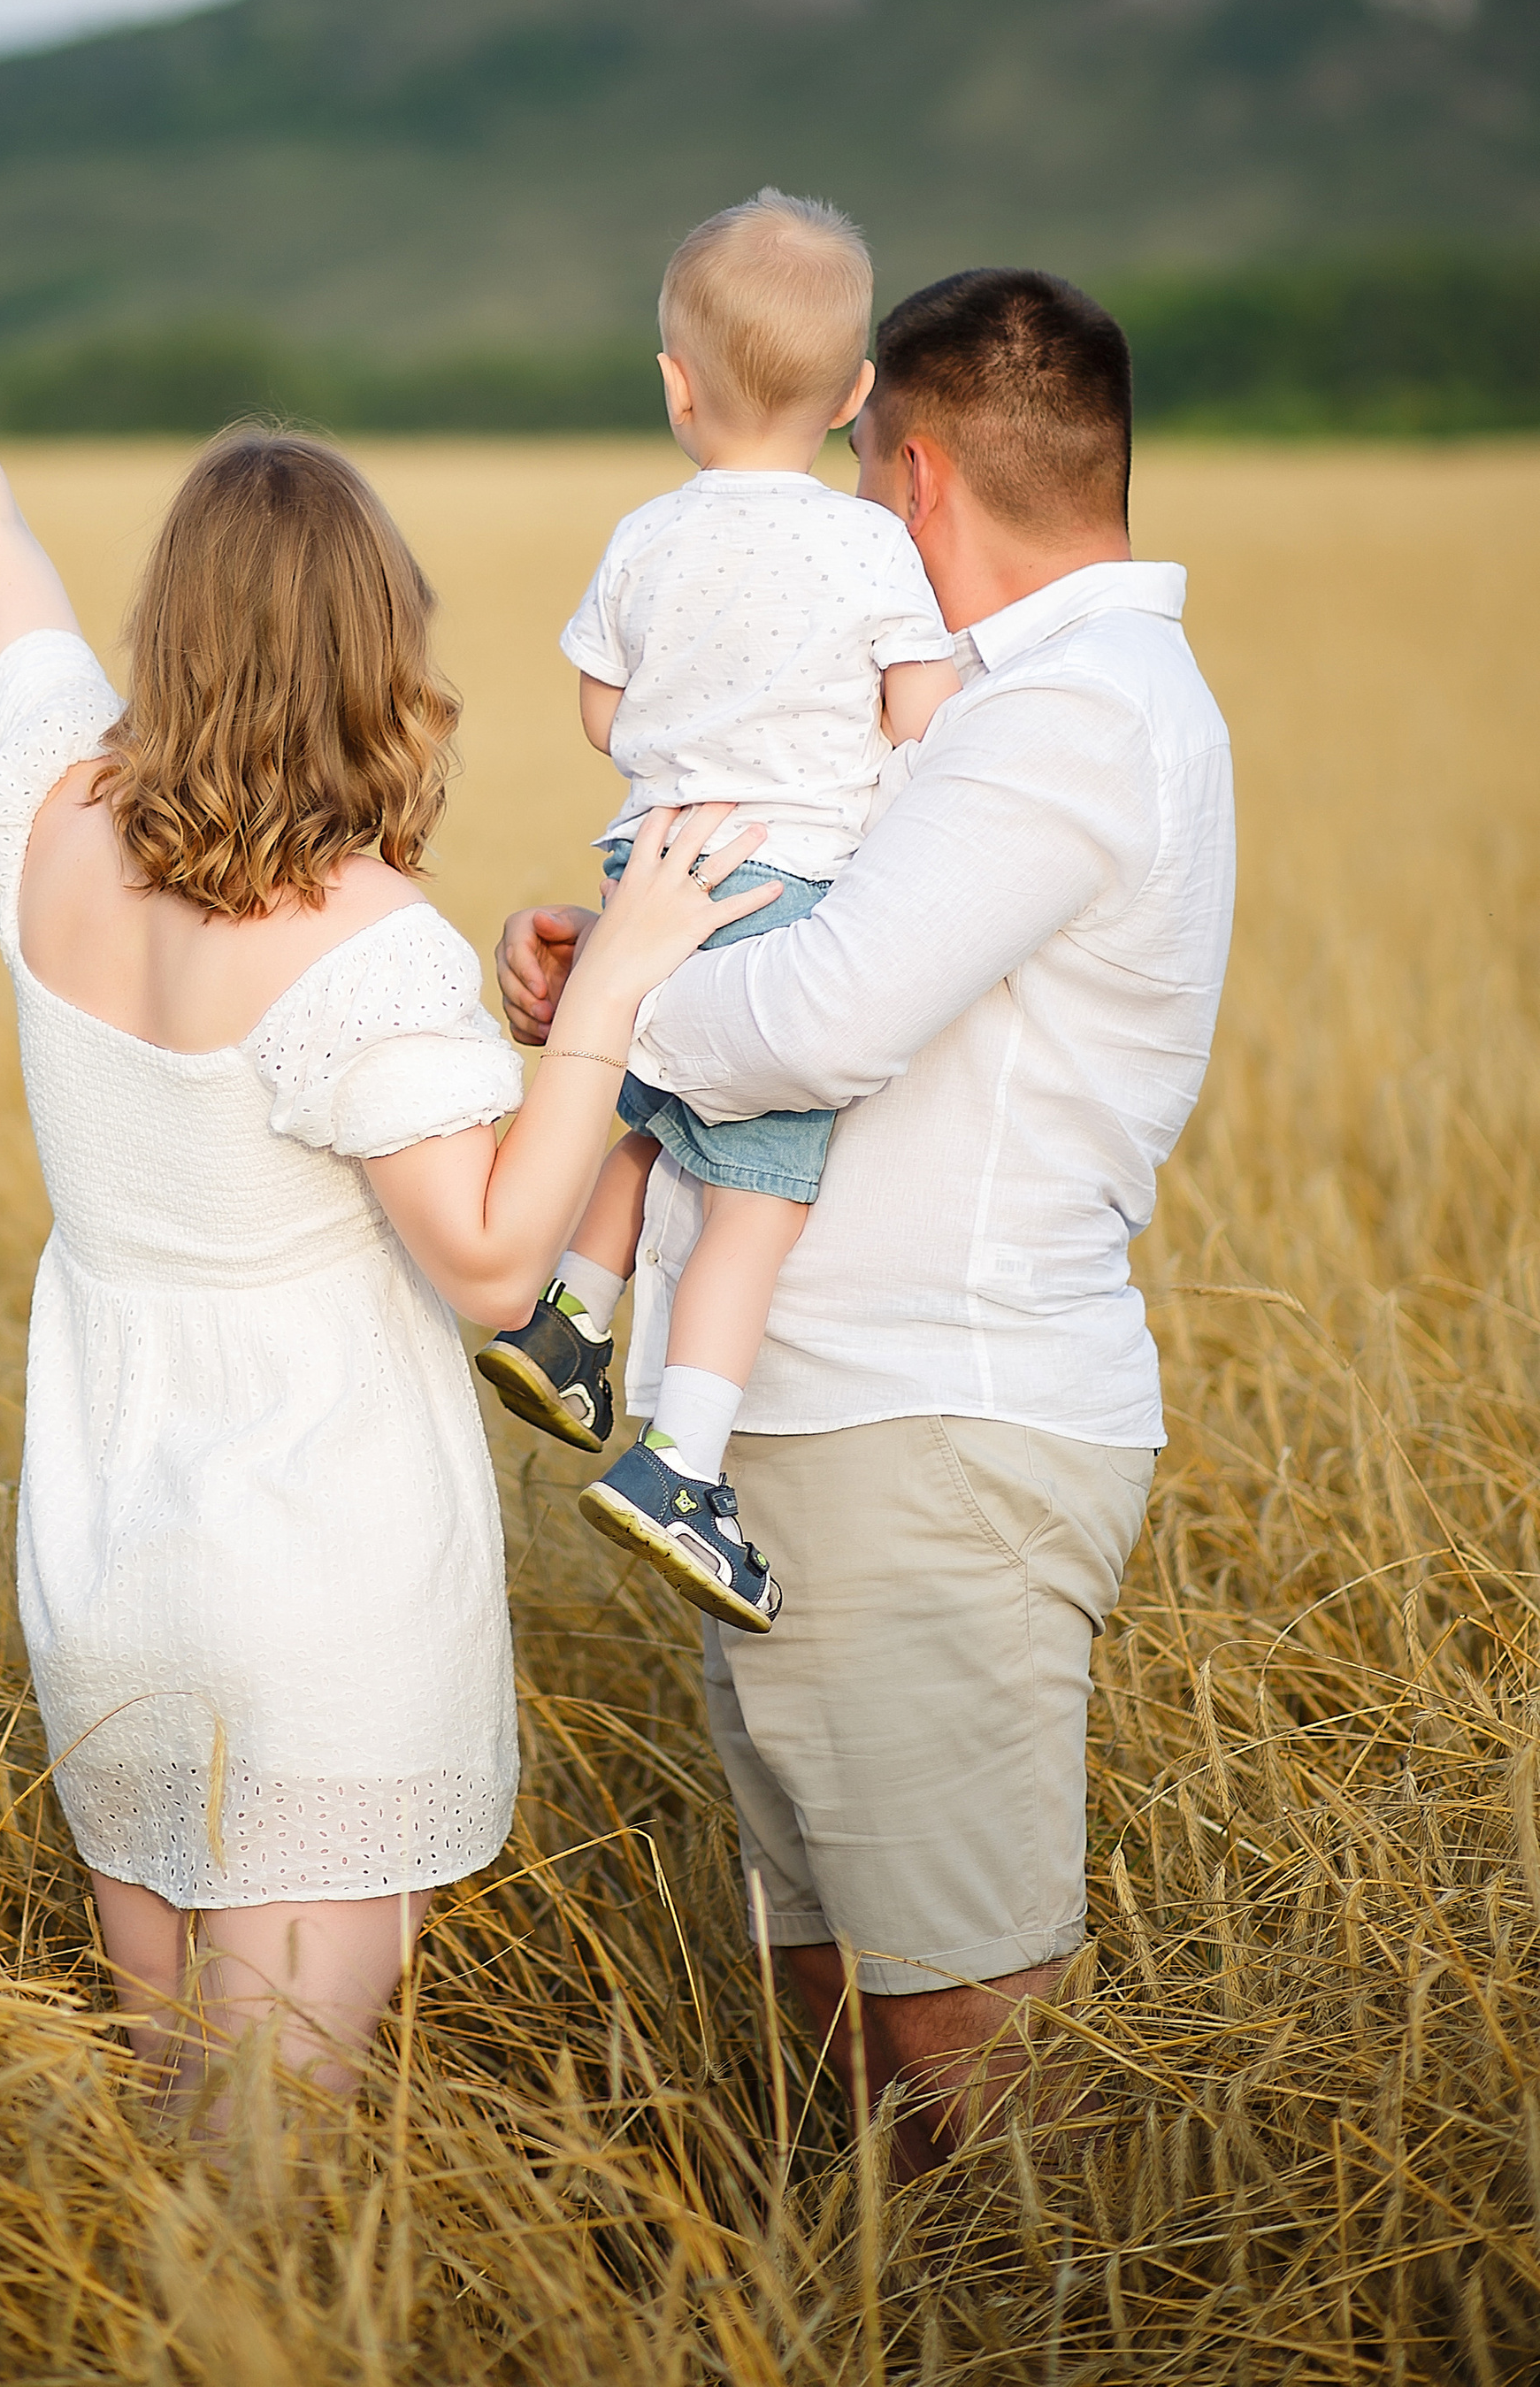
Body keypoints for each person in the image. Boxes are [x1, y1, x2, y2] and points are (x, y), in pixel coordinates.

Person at [0, 104, 767, 2110]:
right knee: (270, 2185)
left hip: (106, 1549)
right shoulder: (361, 945)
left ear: (172, 624)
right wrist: (608, 993)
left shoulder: (49, 803)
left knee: (171, 2122)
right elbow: (484, 1263)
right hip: (317, 1580)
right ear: (381, 652)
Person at [495, 268, 1234, 2173]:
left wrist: (605, 1018)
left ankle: (1070, 2323)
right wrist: (609, 960)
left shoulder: (1067, 718)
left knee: (965, 2046)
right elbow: (788, 948)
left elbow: (812, 1021)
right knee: (849, 2022)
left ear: (906, 481)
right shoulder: (972, 709)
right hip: (823, 1431)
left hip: (925, 1429)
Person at [476, 192, 958, 1631]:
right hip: (782, 879)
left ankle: (572, 1319)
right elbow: (920, 713)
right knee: (755, 1197)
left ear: (677, 388)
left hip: (651, 866)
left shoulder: (644, 533)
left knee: (647, 1103)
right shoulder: (874, 548)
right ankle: (680, 1464)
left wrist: (687, 740)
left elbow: (600, 705)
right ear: (856, 396)